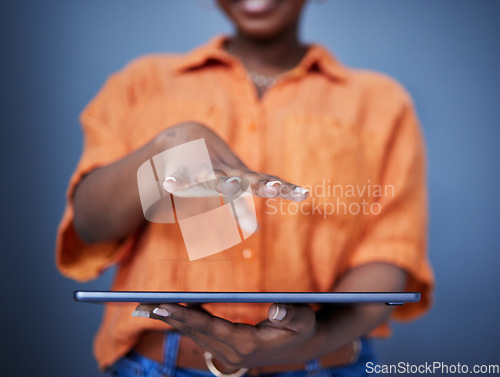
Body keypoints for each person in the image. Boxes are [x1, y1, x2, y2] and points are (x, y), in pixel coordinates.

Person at [56, 0, 434, 376]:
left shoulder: (382, 103)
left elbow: (389, 252)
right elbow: (89, 224)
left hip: (327, 364)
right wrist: (167, 148)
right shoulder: (141, 83)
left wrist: (317, 338)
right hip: (157, 366)